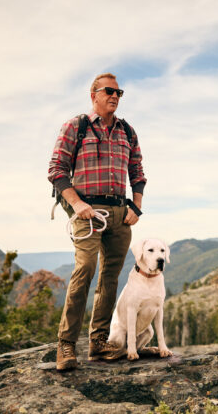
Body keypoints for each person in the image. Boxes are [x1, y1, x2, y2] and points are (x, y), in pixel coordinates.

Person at [48, 73, 146, 370]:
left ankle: (98, 342)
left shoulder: (127, 131)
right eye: (109, 91)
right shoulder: (76, 127)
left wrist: (136, 208)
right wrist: (77, 204)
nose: (115, 96)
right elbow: (56, 170)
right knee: (85, 269)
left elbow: (138, 172)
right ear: (94, 95)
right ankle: (65, 345)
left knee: (111, 276)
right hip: (87, 211)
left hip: (120, 213)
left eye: (119, 92)